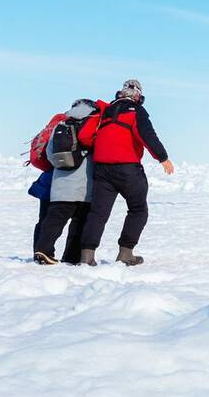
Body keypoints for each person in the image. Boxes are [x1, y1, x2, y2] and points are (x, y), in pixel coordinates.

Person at [79, 79, 174, 266]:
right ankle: (126, 253)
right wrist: (162, 157)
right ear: (138, 96)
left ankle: (87, 256)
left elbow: (86, 136)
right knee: (138, 209)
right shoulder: (136, 111)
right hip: (127, 169)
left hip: (102, 168)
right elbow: (147, 135)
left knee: (98, 212)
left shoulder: (105, 112)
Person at [33, 99, 100, 265]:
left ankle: (43, 250)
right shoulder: (93, 126)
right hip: (84, 187)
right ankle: (72, 256)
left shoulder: (60, 125)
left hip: (60, 186)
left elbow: (50, 153)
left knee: (54, 221)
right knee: (79, 223)